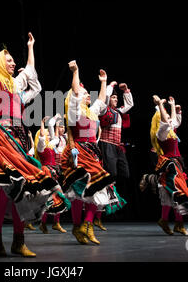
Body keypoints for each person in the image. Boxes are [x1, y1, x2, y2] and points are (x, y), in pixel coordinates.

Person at [0, 15, 60, 257]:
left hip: (20, 137)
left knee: (23, 190)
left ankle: (18, 241)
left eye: (13, 61)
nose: (13, 64)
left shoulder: (15, 85)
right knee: (5, 189)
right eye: (9, 61)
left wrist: (31, 48)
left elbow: (32, 76)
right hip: (1, 138)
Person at [61, 61, 125, 245]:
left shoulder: (92, 112)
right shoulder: (74, 112)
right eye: (85, 93)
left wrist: (104, 82)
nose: (89, 95)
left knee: (97, 189)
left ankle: (87, 225)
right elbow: (74, 93)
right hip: (79, 153)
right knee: (79, 192)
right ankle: (77, 226)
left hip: (93, 154)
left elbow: (102, 99)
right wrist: (76, 72)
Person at [150, 95, 188, 236]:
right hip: (169, 165)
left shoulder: (170, 130)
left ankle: (175, 223)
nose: (167, 117)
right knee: (175, 193)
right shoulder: (161, 132)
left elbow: (174, 122)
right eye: (164, 115)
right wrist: (160, 105)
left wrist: (172, 105)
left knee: (175, 193)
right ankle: (168, 221)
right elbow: (167, 122)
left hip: (177, 164)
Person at [97, 80, 134, 229]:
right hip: (106, 145)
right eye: (113, 97)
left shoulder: (119, 112)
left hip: (117, 147)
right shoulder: (105, 110)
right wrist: (110, 86)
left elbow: (130, 104)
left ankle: (110, 188)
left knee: (125, 173)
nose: (115, 99)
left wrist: (126, 91)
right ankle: (106, 194)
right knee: (110, 173)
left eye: (116, 98)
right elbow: (104, 98)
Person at [35, 114, 70, 234]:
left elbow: (53, 131)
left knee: (58, 197)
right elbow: (41, 136)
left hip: (55, 172)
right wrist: (42, 123)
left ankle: (55, 223)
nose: (48, 135)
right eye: (46, 134)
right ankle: (43, 223)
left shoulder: (52, 143)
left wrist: (57, 118)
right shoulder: (41, 147)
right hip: (46, 172)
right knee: (49, 198)